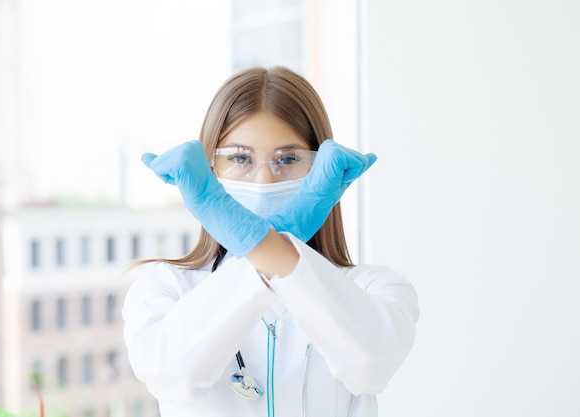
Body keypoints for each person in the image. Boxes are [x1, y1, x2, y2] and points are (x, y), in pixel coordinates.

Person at [122, 66, 419, 417]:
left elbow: (368, 362)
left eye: (288, 159)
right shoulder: (164, 287)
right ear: (210, 169)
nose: (263, 178)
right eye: (239, 159)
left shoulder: (375, 287)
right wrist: (278, 239)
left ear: (319, 169)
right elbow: (173, 375)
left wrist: (255, 238)